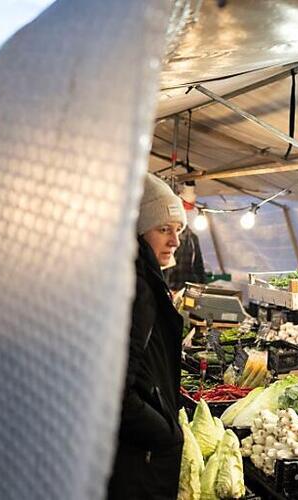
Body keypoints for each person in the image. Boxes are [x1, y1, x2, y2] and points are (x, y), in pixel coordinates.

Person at [108, 173, 187, 499]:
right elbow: (114, 391)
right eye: (164, 229)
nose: (175, 241)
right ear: (138, 231)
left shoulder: (136, 277)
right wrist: (167, 434)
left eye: (178, 230)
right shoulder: (136, 289)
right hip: (140, 458)